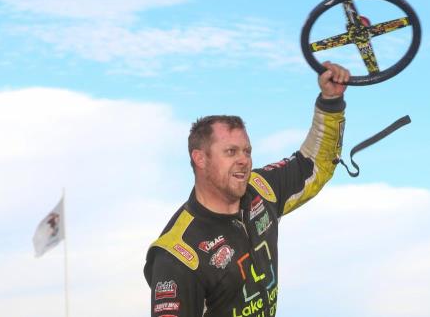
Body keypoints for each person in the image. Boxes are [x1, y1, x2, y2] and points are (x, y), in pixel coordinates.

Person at [143, 61, 350, 317]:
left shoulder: (261, 189)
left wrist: (330, 102)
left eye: (247, 151)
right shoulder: (178, 254)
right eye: (231, 152)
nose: (244, 160)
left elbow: (315, 165)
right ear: (200, 159)